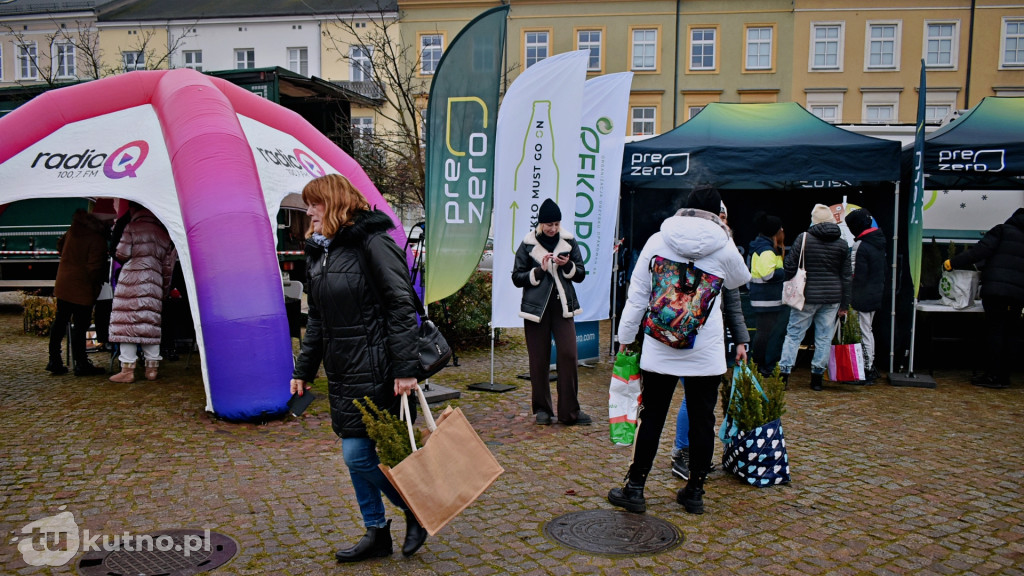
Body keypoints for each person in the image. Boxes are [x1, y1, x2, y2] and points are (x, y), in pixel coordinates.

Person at [289, 173, 428, 562]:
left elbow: (401, 305)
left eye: (314, 204)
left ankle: (415, 510)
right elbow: (317, 319)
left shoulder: (373, 242)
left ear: (334, 203)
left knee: (356, 454)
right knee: (356, 450)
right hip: (342, 371)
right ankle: (377, 532)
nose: (309, 212)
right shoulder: (321, 252)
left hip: (378, 367)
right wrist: (303, 370)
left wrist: (405, 368)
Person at [610, 186, 750, 515]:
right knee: (703, 421)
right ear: (716, 213)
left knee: (652, 417)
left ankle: (635, 488)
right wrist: (724, 238)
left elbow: (637, 294)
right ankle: (695, 491)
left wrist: (625, 337)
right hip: (705, 349)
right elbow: (739, 279)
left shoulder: (658, 240)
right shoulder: (724, 245)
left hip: (660, 345)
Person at [670, 201, 749, 481]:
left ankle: (694, 453)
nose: (722, 221)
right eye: (718, 216)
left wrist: (741, 340)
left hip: (711, 338)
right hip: (682, 332)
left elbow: (734, 302)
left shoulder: (726, 251)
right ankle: (682, 451)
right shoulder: (680, 246)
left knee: (702, 398)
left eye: (725, 216)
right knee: (692, 397)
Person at [511, 198, 591, 426]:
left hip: (562, 307)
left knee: (569, 355)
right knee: (539, 360)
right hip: (536, 310)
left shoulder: (569, 241)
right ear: (541, 224)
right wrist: (539, 271)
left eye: (556, 224)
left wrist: (567, 266)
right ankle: (542, 410)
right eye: (549, 224)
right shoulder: (528, 244)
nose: (553, 228)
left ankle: (570, 411)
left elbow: (580, 273)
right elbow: (517, 277)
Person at [945, 207, 1024, 389]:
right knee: (1011, 333)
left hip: (996, 291)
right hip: (1019, 294)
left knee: (995, 332)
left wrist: (952, 263)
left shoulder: (1002, 230)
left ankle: (992, 376)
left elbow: (979, 252)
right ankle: (1004, 376)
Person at [777, 204, 851, 391]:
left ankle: (784, 375)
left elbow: (789, 265)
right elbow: (846, 276)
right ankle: (817, 379)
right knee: (824, 337)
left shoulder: (804, 239)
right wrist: (845, 304)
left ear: (814, 221)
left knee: (794, 335)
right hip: (832, 297)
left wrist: (792, 282)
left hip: (805, 295)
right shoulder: (842, 244)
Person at [108, 203, 176, 383]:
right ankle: (152, 369)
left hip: (132, 280)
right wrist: (163, 290)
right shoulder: (164, 234)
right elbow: (168, 268)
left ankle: (127, 370)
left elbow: (122, 254)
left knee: (127, 325)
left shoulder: (131, 227)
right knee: (150, 326)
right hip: (154, 283)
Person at [45, 209, 111, 376]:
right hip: (82, 287)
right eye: (110, 220)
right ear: (104, 221)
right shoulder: (97, 239)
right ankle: (81, 363)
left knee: (60, 321)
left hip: (64, 282)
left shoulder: (74, 229)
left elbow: (60, 245)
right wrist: (97, 287)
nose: (112, 224)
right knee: (80, 326)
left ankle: (54, 360)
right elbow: (95, 268)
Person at [844, 208, 886, 383]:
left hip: (861, 296)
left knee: (862, 332)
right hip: (874, 292)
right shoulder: (878, 242)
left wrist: (849, 297)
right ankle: (868, 366)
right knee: (867, 330)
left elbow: (854, 275)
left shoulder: (860, 245)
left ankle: (866, 369)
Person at [748, 212, 788, 376]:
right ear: (775, 231)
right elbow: (768, 275)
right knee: (765, 334)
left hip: (764, 299)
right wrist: (785, 272)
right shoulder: (766, 250)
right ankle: (760, 366)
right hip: (767, 300)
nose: (783, 231)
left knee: (764, 333)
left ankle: (759, 364)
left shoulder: (762, 247)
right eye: (781, 228)